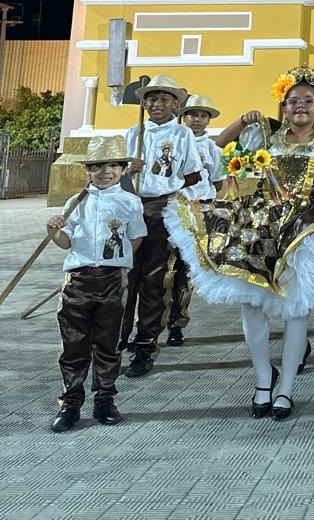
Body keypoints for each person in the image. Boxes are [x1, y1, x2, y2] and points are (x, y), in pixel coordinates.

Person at [165, 66, 314, 419]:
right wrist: (243, 120)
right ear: (284, 107)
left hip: (305, 228)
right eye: (293, 101)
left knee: (295, 307)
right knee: (251, 303)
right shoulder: (267, 134)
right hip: (259, 226)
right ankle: (262, 379)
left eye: (308, 101)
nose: (300, 106)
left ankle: (285, 387)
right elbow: (217, 147)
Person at [47, 135, 146, 432]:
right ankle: (70, 402)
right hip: (77, 281)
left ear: (123, 169)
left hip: (111, 282)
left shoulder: (131, 202)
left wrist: (117, 261)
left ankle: (105, 399)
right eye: (98, 166)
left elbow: (136, 238)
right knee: (74, 345)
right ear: (88, 170)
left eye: (114, 165)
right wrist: (53, 229)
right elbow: (65, 242)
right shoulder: (76, 202)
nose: (106, 171)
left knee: (108, 343)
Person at [121, 75, 203, 376]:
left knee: (154, 279)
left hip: (160, 209)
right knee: (126, 278)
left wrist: (169, 185)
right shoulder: (133, 133)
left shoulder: (182, 134)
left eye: (164, 99)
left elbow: (193, 174)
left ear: (175, 103)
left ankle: (146, 345)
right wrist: (127, 170)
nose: (157, 104)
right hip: (131, 207)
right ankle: (117, 342)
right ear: (144, 103)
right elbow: (115, 174)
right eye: (151, 99)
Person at [165, 93, 222, 347]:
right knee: (165, 269)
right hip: (173, 209)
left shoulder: (212, 150)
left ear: (208, 120)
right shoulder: (173, 142)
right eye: (192, 114)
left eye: (202, 115)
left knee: (186, 271)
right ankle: (153, 323)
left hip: (198, 213)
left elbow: (217, 182)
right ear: (183, 117)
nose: (197, 120)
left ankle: (177, 323)